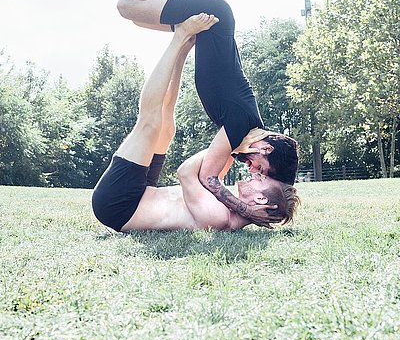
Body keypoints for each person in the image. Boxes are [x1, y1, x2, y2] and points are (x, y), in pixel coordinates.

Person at [116, 0, 299, 226]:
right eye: (261, 168)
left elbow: (208, 176)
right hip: (215, 16)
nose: (253, 171)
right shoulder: (242, 125)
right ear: (266, 148)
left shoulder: (244, 132)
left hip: (214, 20)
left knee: (141, 17)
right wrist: (248, 212)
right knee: (128, 5)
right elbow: (208, 178)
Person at [91, 14, 300, 232]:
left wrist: (233, 145)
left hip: (120, 206)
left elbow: (186, 172)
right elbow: (213, 171)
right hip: (145, 193)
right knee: (166, 127)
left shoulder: (219, 217)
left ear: (260, 199)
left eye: (260, 179)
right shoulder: (223, 206)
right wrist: (229, 148)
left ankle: (179, 35)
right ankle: (180, 52)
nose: (254, 174)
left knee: (150, 124)